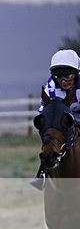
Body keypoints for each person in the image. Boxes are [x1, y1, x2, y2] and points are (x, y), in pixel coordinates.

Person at [30, 49, 80, 189]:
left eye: (68, 76)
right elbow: (45, 114)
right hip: (64, 120)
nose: (63, 81)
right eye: (58, 77)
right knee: (50, 138)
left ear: (76, 73)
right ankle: (43, 172)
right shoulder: (50, 87)